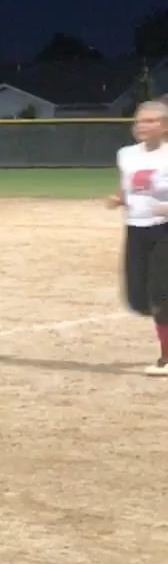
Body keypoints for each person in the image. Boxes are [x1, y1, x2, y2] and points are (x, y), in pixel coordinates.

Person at [111, 100, 168, 375]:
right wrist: (118, 199)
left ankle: (166, 358)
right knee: (137, 299)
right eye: (139, 121)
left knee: (161, 294)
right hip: (135, 228)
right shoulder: (126, 154)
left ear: (165, 126)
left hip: (164, 228)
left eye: (150, 120)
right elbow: (128, 187)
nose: (142, 126)